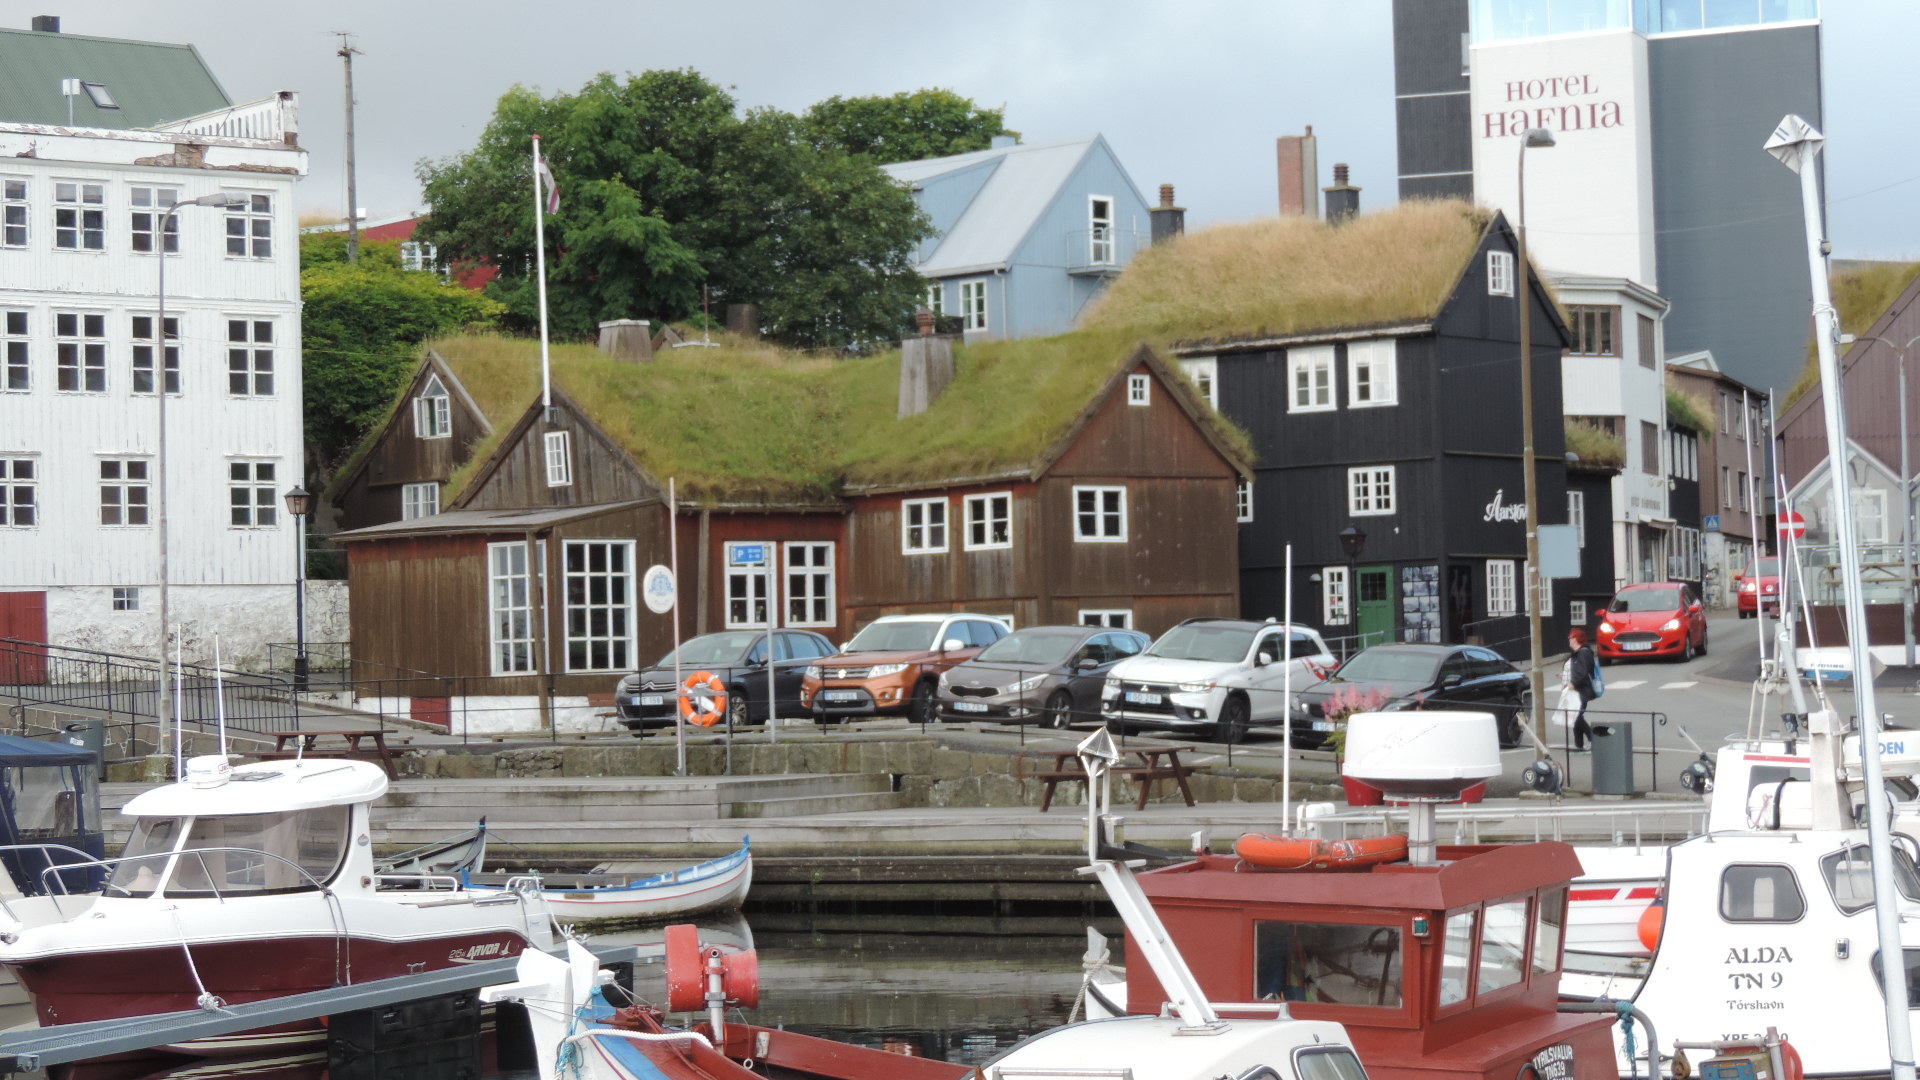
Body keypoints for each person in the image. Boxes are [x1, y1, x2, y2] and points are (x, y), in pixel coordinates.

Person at [1565, 628, 1599, 750]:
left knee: (1576, 716)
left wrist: (1574, 683)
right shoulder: (1577, 653)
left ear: (1577, 639)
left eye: (1571, 637)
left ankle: (1593, 739)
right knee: (1575, 716)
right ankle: (1578, 744)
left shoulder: (1584, 652)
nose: (1569, 639)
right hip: (1577, 690)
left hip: (1583, 690)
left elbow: (1583, 672)